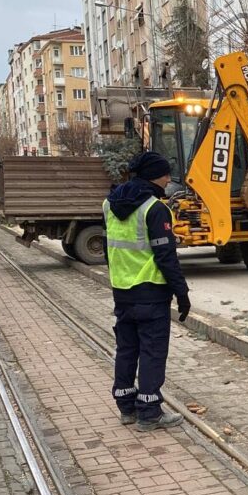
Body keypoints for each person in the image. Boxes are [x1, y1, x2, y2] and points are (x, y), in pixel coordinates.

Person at [103, 152, 190, 431]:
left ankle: (126, 407)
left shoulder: (109, 204)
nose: (168, 179)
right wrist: (182, 292)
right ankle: (150, 412)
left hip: (122, 290)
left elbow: (110, 248)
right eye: (165, 174)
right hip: (151, 292)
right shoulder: (155, 209)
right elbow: (166, 256)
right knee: (152, 352)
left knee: (127, 349)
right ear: (154, 175)